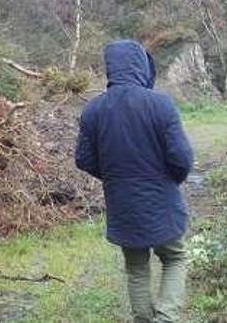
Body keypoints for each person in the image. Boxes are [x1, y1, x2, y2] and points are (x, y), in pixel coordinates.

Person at [75, 40, 194, 323]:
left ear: (111, 68)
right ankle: (165, 318)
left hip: (122, 203)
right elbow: (182, 158)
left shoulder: (93, 110)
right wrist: (170, 180)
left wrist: (116, 177)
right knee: (176, 258)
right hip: (161, 199)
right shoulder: (160, 104)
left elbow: (83, 159)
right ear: (142, 65)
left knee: (137, 268)